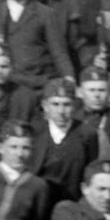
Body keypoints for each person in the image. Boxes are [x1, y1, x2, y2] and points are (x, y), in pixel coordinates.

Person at [30, 77, 99, 208]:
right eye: (55, 104)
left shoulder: (87, 133)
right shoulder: (35, 131)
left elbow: (90, 171)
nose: (61, 111)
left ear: (74, 105)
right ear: (45, 106)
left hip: (72, 203)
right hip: (38, 203)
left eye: (66, 104)